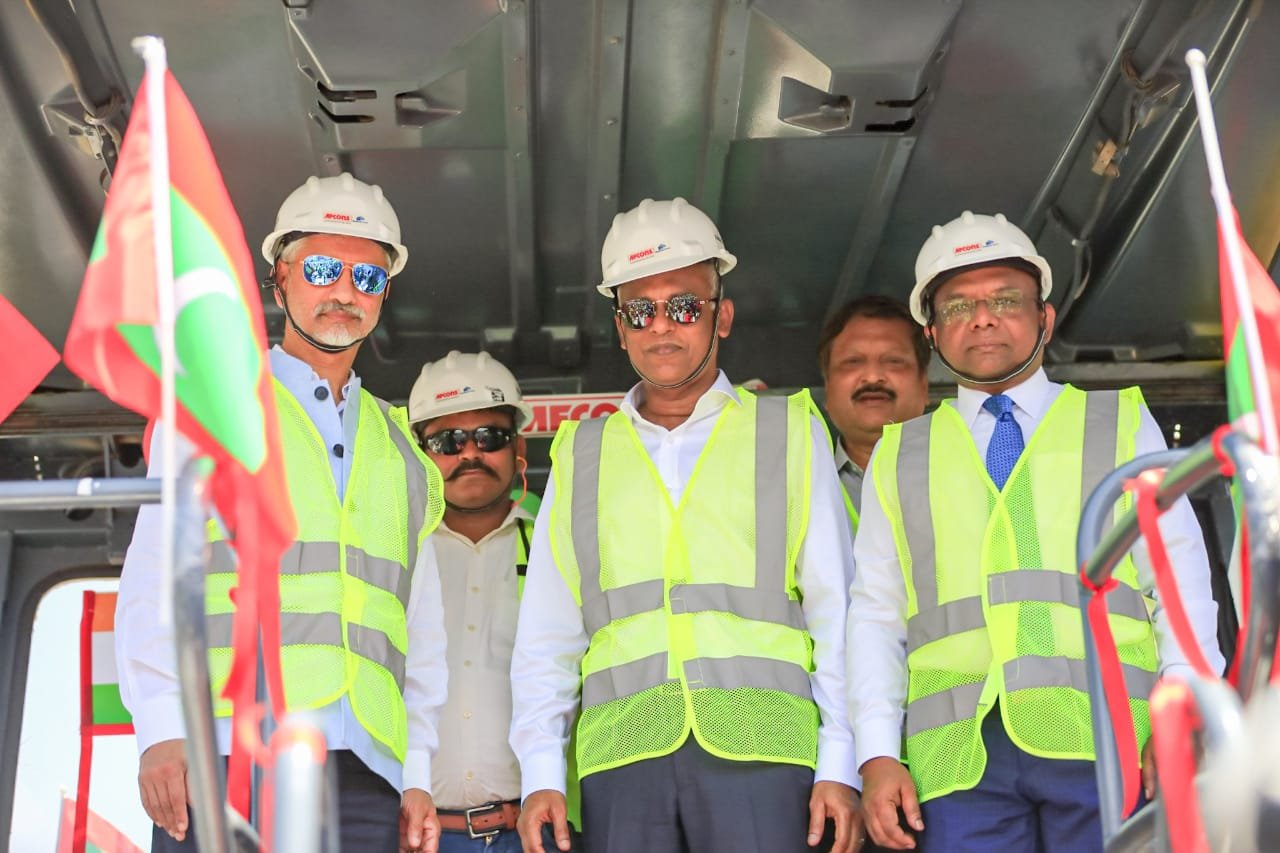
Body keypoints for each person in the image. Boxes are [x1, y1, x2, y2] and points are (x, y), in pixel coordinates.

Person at [848, 211, 1225, 851]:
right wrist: (877, 753)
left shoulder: (1119, 421)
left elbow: (1179, 580)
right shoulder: (900, 452)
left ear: (1045, 319)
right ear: (931, 333)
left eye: (1004, 300)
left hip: (1106, 737)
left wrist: (1183, 708)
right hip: (959, 759)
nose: (983, 318)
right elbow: (876, 616)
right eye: (958, 305)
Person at [510, 197, 863, 853]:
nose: (660, 327)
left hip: (765, 751)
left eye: (683, 306)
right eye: (639, 310)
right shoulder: (581, 452)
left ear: (720, 315)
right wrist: (540, 771)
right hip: (622, 758)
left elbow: (836, 609)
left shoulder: (788, 430)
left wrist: (842, 760)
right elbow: (547, 631)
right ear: (620, 329)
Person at [116, 173, 449, 852]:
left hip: (367, 772)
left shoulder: (404, 453)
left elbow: (421, 632)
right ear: (281, 279)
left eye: (367, 277)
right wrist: (160, 728)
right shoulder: (214, 406)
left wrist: (416, 772)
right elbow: (154, 577)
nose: (345, 292)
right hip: (227, 754)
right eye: (323, 270)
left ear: (384, 294)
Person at [407, 351, 577, 851]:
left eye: (489, 437)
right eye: (447, 441)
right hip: (419, 835)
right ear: (420, 453)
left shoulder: (557, 547)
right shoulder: (394, 558)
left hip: (536, 834)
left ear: (518, 448)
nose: (469, 453)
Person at [818, 295, 930, 533]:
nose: (872, 376)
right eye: (852, 361)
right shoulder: (796, 486)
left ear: (924, 385)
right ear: (828, 388)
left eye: (894, 361)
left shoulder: (967, 475)